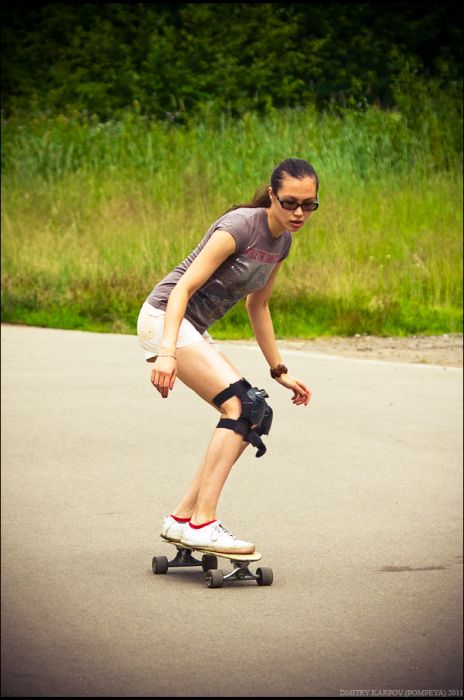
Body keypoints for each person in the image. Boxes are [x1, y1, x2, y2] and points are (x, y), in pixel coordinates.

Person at [137, 157, 318, 554]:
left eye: (309, 205)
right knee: (239, 406)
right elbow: (181, 290)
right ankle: (204, 521)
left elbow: (259, 307)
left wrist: (279, 370)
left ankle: (183, 519)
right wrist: (167, 353)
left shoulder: (283, 242)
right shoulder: (239, 227)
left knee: (256, 411)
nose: (299, 212)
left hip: (191, 329)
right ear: (271, 194)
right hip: (164, 318)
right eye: (289, 202)